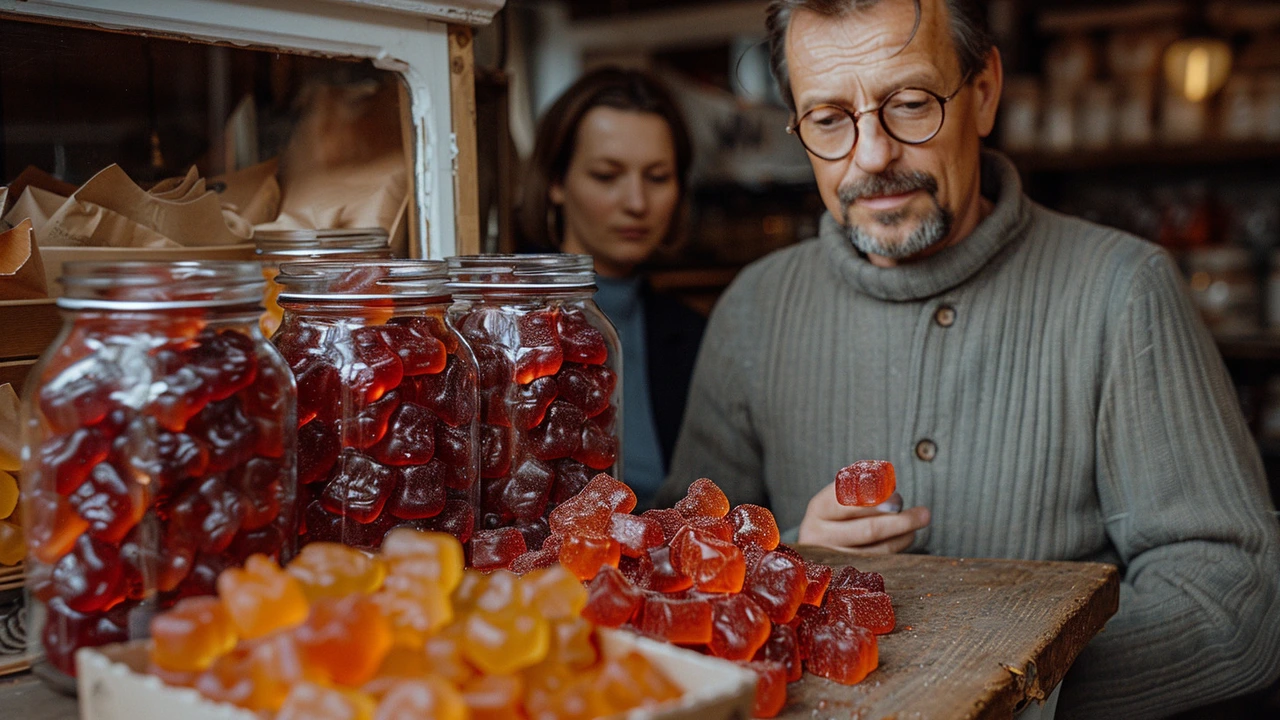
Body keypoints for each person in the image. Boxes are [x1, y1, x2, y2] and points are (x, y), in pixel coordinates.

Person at [655, 0, 1280, 717]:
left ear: (983, 93)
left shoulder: (1121, 290)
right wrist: (798, 556)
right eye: (828, 120)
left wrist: (1000, 685)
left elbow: (1236, 598)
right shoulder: (751, 309)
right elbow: (677, 584)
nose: (873, 155)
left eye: (912, 104)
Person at [518, 67, 707, 508]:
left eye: (658, 177)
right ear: (556, 183)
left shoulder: (694, 334)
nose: (636, 203)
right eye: (606, 175)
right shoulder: (501, 323)